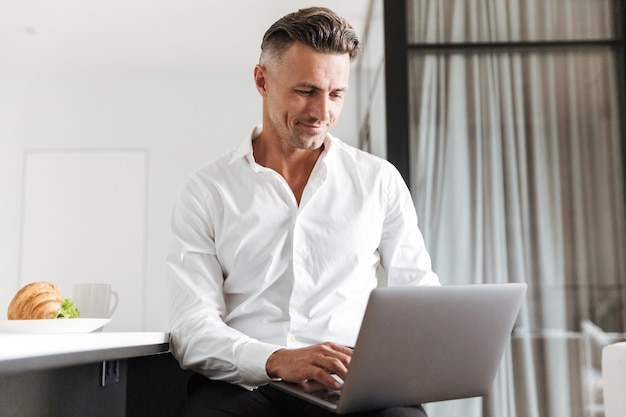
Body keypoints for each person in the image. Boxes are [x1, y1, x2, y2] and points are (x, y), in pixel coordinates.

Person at [167, 7, 439, 417]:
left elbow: (420, 299)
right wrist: (276, 358)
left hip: (351, 384)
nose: (322, 112)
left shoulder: (378, 180)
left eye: (336, 94)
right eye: (306, 90)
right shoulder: (206, 190)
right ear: (262, 81)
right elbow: (191, 328)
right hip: (247, 386)